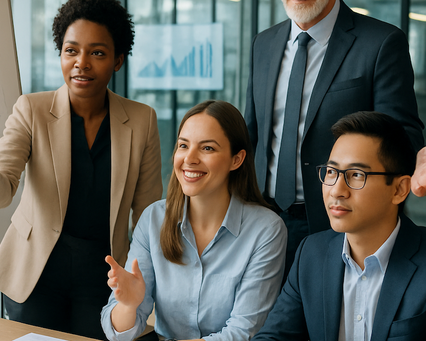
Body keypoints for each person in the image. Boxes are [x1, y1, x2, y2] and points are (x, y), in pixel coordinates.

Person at [0, 0, 162, 339]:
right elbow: (3, 186)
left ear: (118, 60)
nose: (81, 64)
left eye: (98, 53)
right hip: (35, 272)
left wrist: (149, 282)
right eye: (70, 50)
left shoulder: (142, 119)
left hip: (102, 275)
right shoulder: (32, 109)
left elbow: (148, 212)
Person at [245, 0, 424, 275]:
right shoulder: (263, 43)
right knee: (268, 317)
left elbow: (402, 139)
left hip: (339, 224)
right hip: (263, 221)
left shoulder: (381, 42)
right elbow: (252, 134)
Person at [101, 100, 288, 341]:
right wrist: (129, 304)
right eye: (183, 145)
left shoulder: (266, 230)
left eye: (207, 148)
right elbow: (118, 335)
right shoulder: (153, 219)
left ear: (236, 159)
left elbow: (243, 332)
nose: (189, 159)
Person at [252, 111, 426, 341]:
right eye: (332, 172)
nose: (336, 190)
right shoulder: (312, 253)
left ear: (399, 190)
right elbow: (274, 336)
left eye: (356, 175)